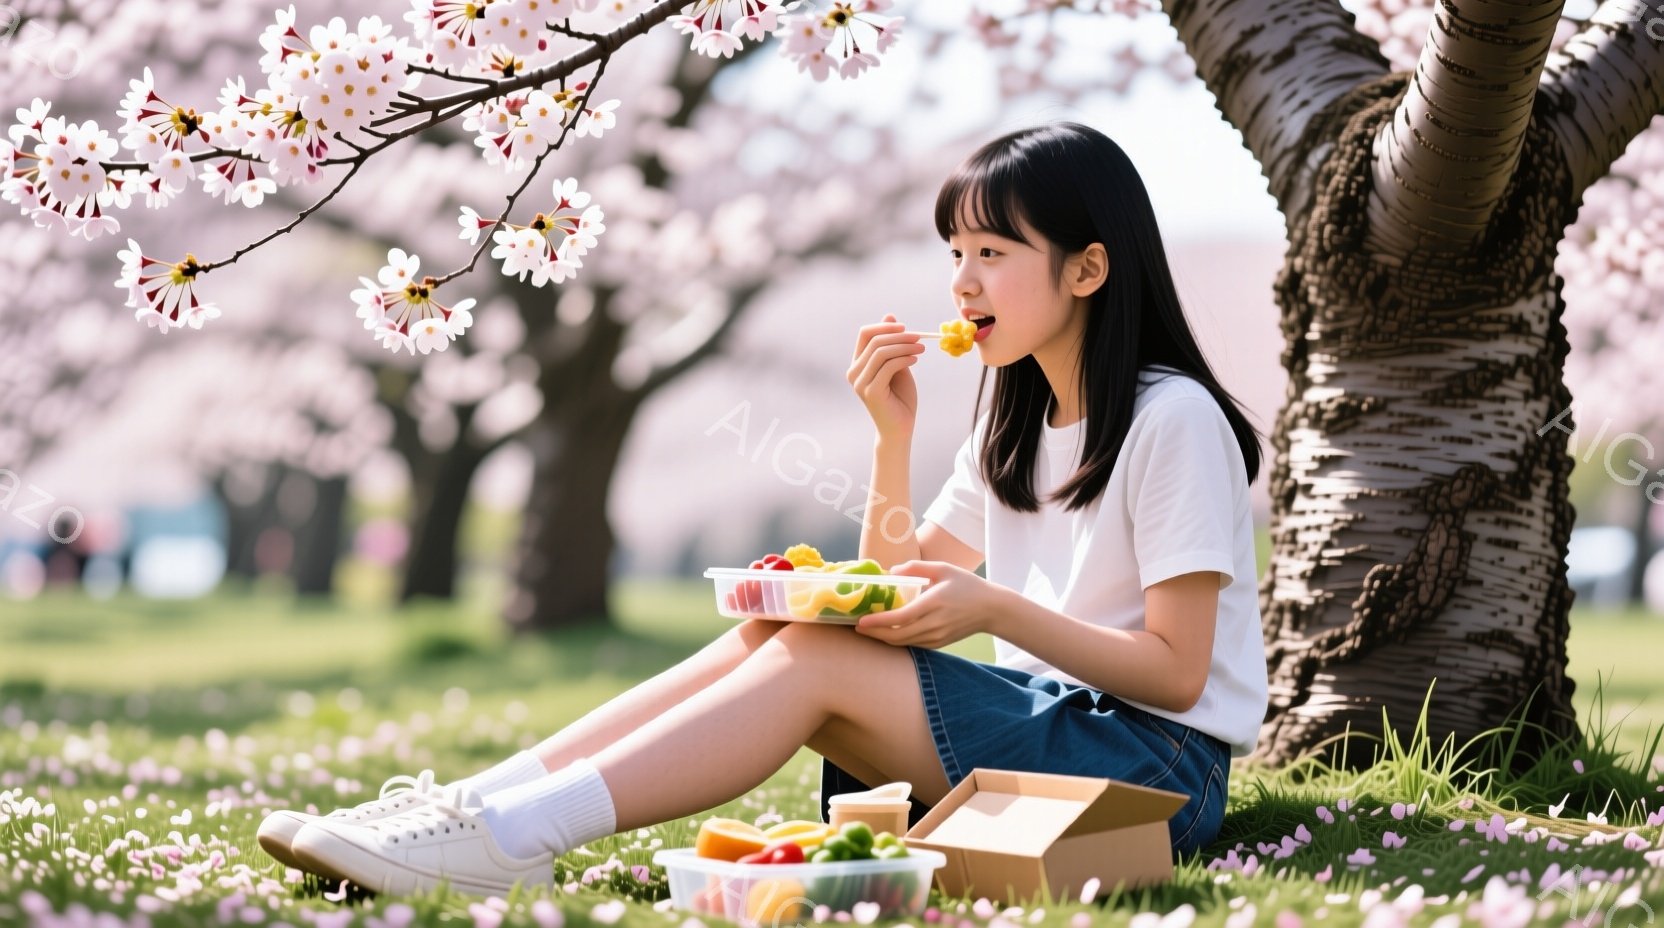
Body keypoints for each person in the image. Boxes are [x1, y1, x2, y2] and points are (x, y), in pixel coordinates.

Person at [257, 120, 1269, 898]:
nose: (960, 283)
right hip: (1054, 729)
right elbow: (890, 582)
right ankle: (468, 809)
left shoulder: (1168, 419)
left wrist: (994, 610)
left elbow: (1177, 674)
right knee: (779, 627)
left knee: (813, 655)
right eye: (953, 252)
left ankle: (511, 840)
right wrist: (888, 437)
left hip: (1153, 764)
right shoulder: (1014, 417)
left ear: (1087, 268)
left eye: (992, 253)